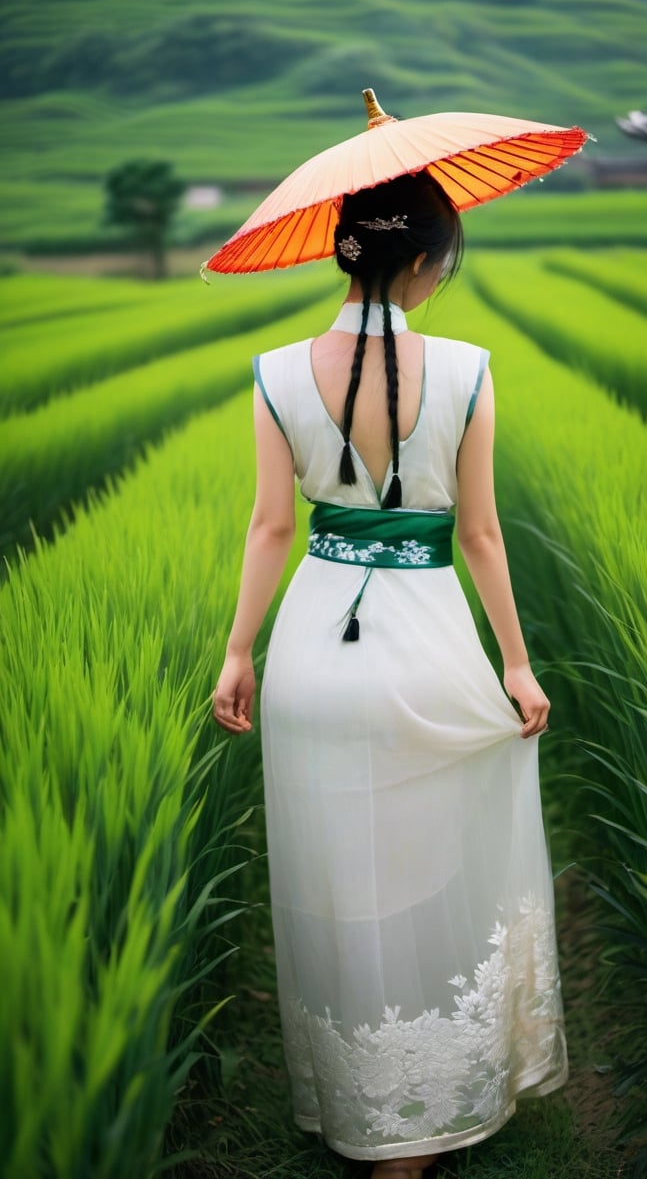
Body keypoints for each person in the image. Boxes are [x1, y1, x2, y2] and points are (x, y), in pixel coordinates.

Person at [213, 170, 568, 1178]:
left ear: (340, 250)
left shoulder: (277, 372)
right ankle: (425, 1106)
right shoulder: (467, 368)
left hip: (317, 640)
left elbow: (272, 525)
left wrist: (240, 648)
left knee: (336, 872)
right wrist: (517, 662)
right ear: (422, 262)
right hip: (429, 635)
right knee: (432, 859)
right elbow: (483, 535)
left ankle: (366, 1101)